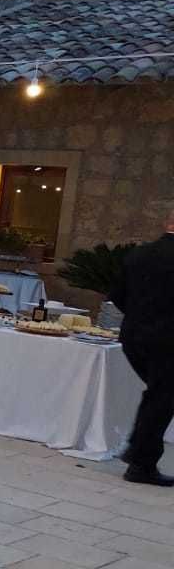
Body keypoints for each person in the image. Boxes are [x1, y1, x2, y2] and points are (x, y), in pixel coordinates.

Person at [110, 202, 174, 486]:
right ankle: (140, 463)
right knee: (162, 397)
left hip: (134, 337)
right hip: (168, 341)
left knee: (158, 394)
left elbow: (117, 294)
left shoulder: (139, 254)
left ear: (167, 223)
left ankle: (137, 450)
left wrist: (139, 319)